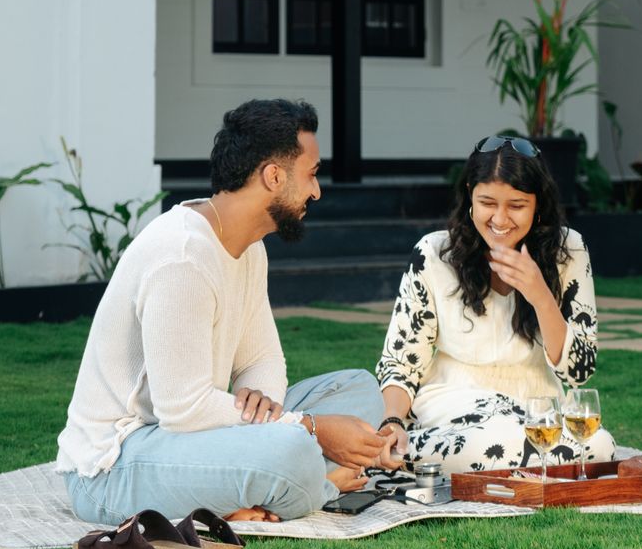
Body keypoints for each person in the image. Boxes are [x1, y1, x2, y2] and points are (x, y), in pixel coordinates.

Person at [57, 99, 399, 524]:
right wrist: (308, 427)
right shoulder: (182, 258)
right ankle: (321, 484)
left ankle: (272, 482)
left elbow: (262, 359)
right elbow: (182, 410)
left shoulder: (249, 245)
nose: (317, 191)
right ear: (273, 176)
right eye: (311, 174)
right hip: (119, 463)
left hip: (199, 434)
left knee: (360, 390)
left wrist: (270, 411)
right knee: (291, 449)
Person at [375, 134, 615, 473]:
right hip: (455, 405)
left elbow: (579, 372)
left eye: (516, 206)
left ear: (538, 204)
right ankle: (399, 449)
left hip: (538, 409)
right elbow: (400, 364)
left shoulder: (569, 250)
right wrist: (392, 421)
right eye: (488, 203)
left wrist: (540, 295)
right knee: (493, 443)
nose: (500, 220)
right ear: (470, 195)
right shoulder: (433, 253)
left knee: (600, 446)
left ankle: (427, 460)